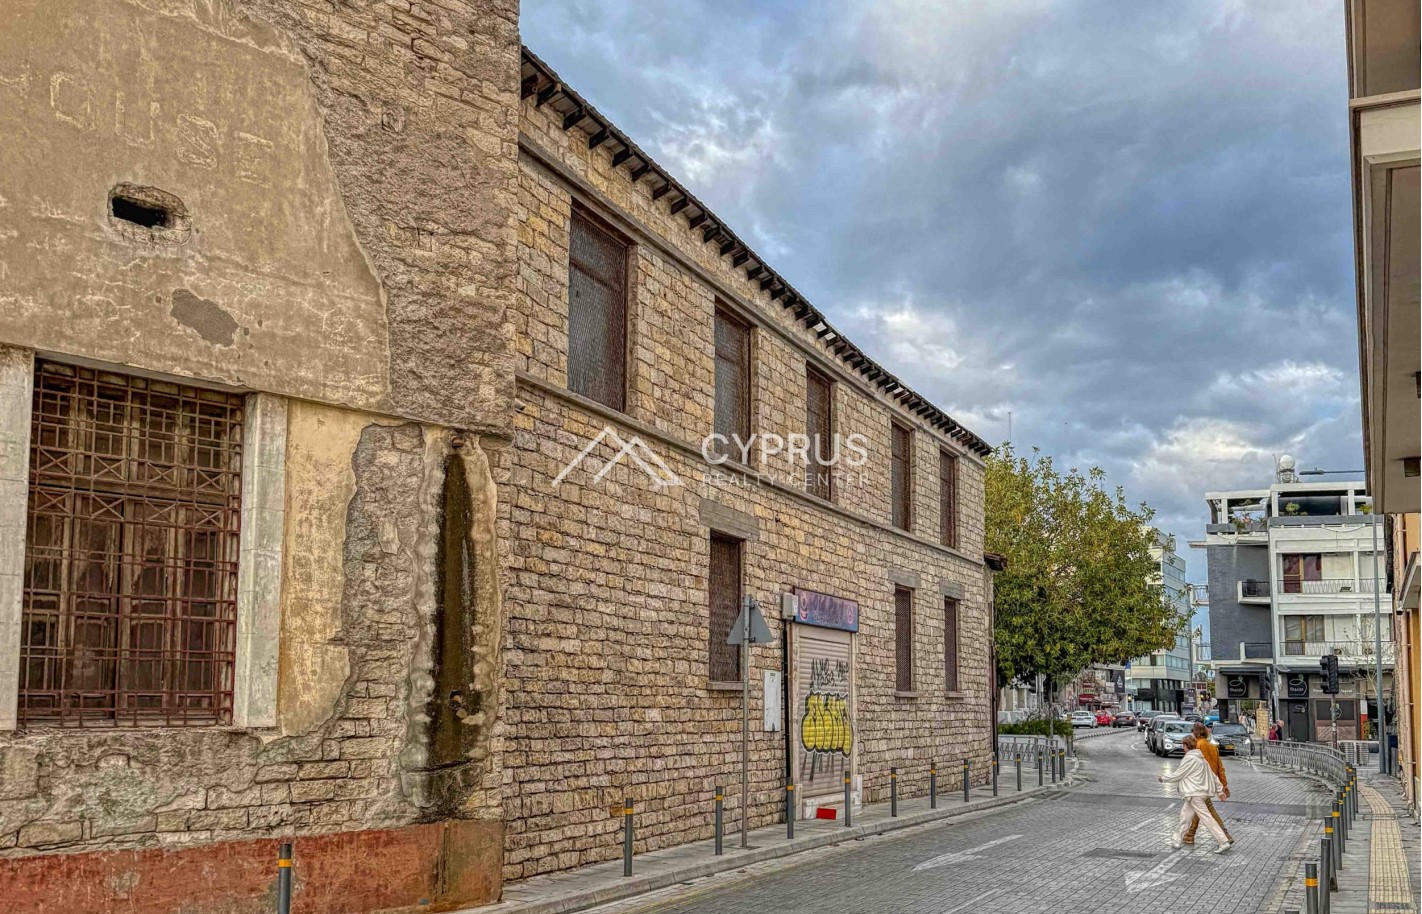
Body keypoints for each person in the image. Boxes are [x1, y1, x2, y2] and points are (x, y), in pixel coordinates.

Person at [1158, 735, 1232, 854]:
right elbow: (1213, 776)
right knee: (1185, 816)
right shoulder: (1201, 758)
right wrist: (1220, 791)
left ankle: (1223, 841)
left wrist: (1164, 778)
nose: (1183, 748)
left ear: (1186, 746)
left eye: (1183, 745)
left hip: (1194, 793)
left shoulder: (1190, 758)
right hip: (1199, 793)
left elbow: (1179, 774)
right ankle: (1176, 839)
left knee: (1207, 818)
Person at [1183, 723, 1233, 846]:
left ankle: (1224, 834)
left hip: (1200, 782)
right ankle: (1190, 834)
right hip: (1210, 782)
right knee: (1201, 808)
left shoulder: (1197, 746)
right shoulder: (1212, 747)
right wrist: (1224, 785)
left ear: (1194, 732)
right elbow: (1220, 768)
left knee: (1207, 809)